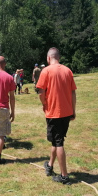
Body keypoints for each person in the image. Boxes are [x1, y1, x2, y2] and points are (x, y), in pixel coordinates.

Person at [36, 47, 77, 184]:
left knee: (58, 142)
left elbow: (40, 92)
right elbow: (73, 93)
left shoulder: (46, 71)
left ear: (49, 58)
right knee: (56, 139)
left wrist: (44, 104)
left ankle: (64, 176)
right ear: (58, 57)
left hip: (54, 112)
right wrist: (73, 110)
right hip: (66, 112)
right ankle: (50, 165)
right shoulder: (68, 71)